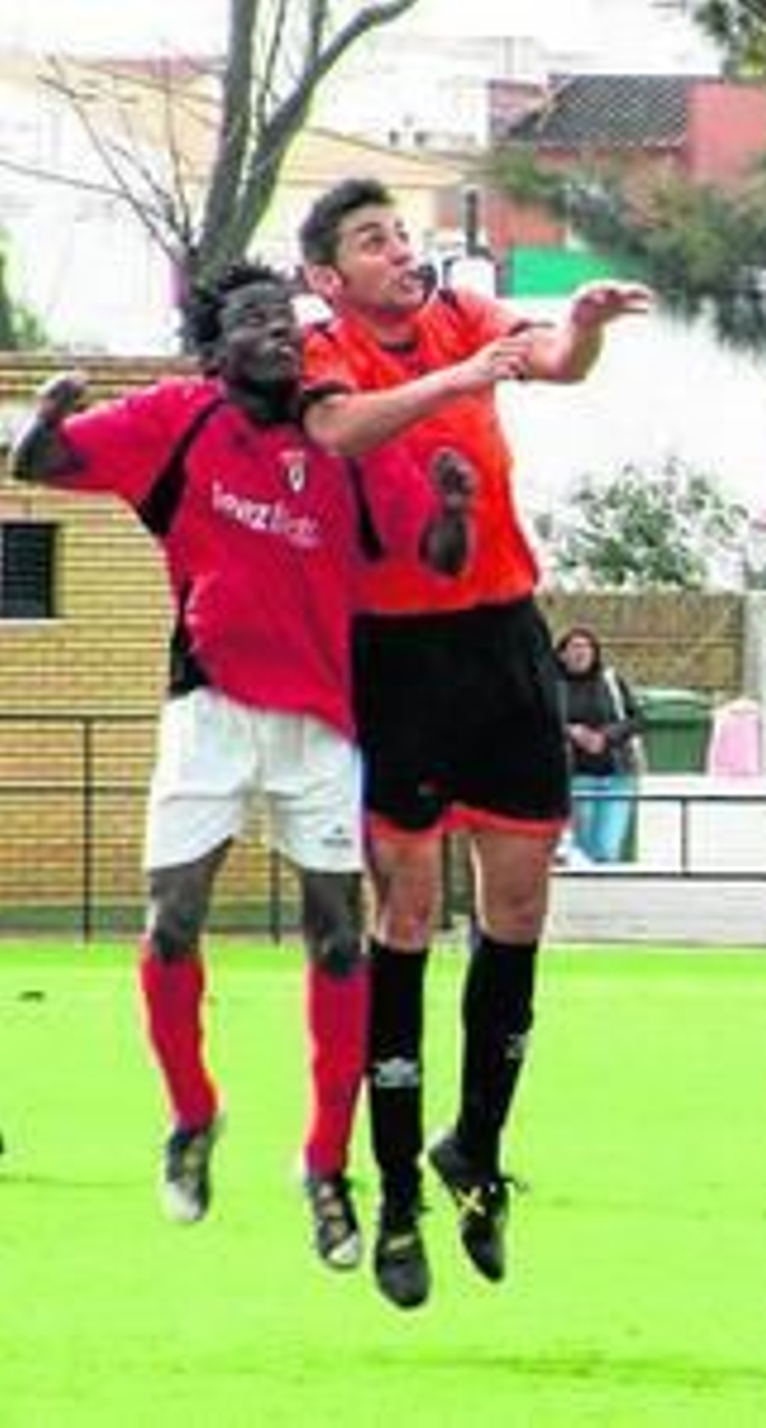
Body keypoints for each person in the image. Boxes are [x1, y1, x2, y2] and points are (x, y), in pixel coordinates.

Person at [7, 261, 472, 1272]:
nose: (279, 333)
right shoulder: (177, 418)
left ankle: (326, 1165)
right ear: (216, 351)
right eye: (254, 321)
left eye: (285, 319)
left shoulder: (342, 436)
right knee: (171, 921)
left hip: (322, 725)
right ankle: (191, 1114)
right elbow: (39, 466)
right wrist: (45, 417)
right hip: (208, 708)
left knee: (338, 939)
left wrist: (453, 510)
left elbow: (434, 556)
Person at [297, 177, 650, 1309]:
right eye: (373, 241)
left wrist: (583, 329)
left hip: (503, 642)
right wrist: (455, 381)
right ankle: (398, 1193)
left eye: (401, 233)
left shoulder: (462, 309)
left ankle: (476, 1153)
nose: (401, 251)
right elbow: (338, 429)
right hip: (396, 657)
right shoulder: (322, 348)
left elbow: (547, 359)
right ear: (327, 275)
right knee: (405, 912)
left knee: (521, 907)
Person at [555, 626, 644, 865]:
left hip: (617, 777)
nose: (581, 652)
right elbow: (536, 722)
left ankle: (606, 886)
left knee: (607, 849)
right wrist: (571, 731)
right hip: (574, 778)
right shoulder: (551, 685)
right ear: (562, 654)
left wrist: (606, 737)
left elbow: (636, 720)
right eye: (575, 647)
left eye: (587, 647)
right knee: (582, 851)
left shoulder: (610, 680)